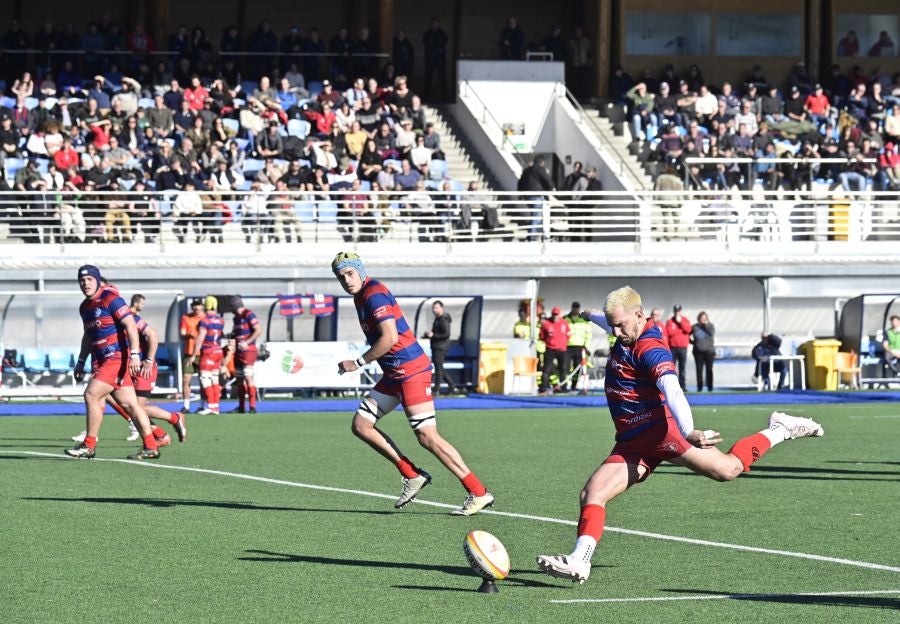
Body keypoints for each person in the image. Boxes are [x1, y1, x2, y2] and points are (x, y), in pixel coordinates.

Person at [536, 286, 824, 583]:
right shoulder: (625, 327)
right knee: (592, 493)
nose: (616, 331)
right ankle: (580, 560)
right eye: (613, 325)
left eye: (620, 325)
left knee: (729, 469)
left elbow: (672, 389)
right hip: (633, 440)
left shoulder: (649, 348)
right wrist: (587, 315)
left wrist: (688, 431)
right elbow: (605, 320)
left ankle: (779, 429)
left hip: (663, 433)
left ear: (639, 315)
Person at [332, 252, 493, 515]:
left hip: (410, 370)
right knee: (361, 425)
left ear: (360, 271)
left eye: (350, 273)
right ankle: (412, 474)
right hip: (394, 374)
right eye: (341, 277)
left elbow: (389, 337)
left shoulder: (373, 293)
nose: (346, 280)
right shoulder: (360, 296)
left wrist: (357, 363)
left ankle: (478, 492)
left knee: (427, 436)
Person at [66, 265, 161, 460]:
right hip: (103, 360)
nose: (85, 283)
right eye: (82, 280)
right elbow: (88, 336)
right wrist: (81, 361)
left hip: (116, 358)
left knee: (91, 395)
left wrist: (135, 354)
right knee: (131, 406)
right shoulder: (84, 307)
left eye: (90, 279)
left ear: (98, 280)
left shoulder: (111, 298)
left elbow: (131, 326)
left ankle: (89, 445)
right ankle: (152, 445)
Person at [189, 295, 226, 415]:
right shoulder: (221, 321)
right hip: (218, 351)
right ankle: (215, 407)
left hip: (209, 352)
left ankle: (210, 406)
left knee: (205, 379)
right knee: (215, 379)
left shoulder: (204, 321)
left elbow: (200, 338)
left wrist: (194, 354)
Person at [230, 295, 262, 413]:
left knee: (248, 376)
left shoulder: (249, 314)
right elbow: (235, 333)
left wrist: (247, 342)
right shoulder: (236, 318)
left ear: (235, 306)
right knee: (239, 378)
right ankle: (241, 406)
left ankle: (252, 406)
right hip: (238, 352)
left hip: (248, 350)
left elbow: (258, 330)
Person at [423, 300, 455, 395]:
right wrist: (428, 335)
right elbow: (436, 333)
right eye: (433, 308)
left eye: (436, 307)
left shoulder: (443, 319)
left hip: (441, 347)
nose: (434, 309)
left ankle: (436, 389)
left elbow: (446, 334)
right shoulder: (437, 319)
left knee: (438, 368)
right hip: (436, 346)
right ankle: (452, 385)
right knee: (439, 367)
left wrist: (433, 335)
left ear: (441, 308)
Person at [179, 298, 204, 411]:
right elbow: (182, 333)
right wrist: (189, 335)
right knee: (186, 379)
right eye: (194, 305)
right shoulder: (186, 318)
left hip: (203, 353)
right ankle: (186, 405)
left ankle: (203, 405)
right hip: (189, 353)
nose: (196, 307)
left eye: (198, 305)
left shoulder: (206, 318)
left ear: (202, 306)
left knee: (203, 380)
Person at [539, 306, 571, 394]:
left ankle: (563, 387)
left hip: (562, 349)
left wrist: (564, 342)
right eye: (553, 315)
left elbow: (569, 334)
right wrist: (549, 342)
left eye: (556, 315)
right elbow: (541, 336)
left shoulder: (564, 323)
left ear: (559, 314)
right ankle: (543, 387)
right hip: (550, 349)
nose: (555, 317)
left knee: (563, 369)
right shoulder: (546, 323)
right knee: (546, 369)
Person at [564, 301, 591, 393]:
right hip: (567, 346)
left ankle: (573, 386)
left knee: (577, 366)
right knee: (565, 367)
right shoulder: (565, 319)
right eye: (574, 308)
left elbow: (588, 334)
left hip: (580, 347)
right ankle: (564, 386)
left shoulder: (583, 320)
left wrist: (586, 346)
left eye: (577, 308)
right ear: (571, 308)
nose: (575, 310)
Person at [665, 305, 691, 389]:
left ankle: (682, 386)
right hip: (673, 348)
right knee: (672, 368)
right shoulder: (670, 321)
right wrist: (680, 331)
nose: (677, 312)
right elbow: (669, 332)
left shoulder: (685, 320)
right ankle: (673, 386)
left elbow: (688, 330)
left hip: (683, 348)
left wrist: (680, 323)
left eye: (678, 311)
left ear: (681, 311)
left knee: (682, 368)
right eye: (676, 311)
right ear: (674, 311)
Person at [691, 311, 716, 392]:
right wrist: (692, 342)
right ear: (698, 319)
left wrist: (705, 325)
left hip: (709, 351)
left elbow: (711, 333)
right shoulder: (695, 327)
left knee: (709, 369)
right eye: (701, 318)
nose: (703, 319)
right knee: (699, 370)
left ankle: (710, 387)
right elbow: (686, 334)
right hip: (698, 352)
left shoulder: (710, 326)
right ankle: (699, 387)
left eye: (705, 318)